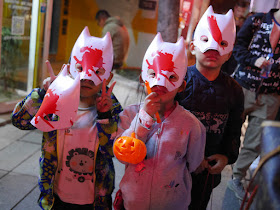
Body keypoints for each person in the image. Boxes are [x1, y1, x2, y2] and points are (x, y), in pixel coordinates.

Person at [11, 27, 122, 209]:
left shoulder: (112, 108)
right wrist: (43, 94)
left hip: (94, 200)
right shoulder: (57, 98)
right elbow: (19, 121)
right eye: (80, 68)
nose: (87, 77)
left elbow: (113, 150)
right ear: (70, 68)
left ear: (108, 77)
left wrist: (104, 116)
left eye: (98, 71)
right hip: (55, 196)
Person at [114, 33, 206, 210]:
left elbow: (194, 163)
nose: (160, 82)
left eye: (172, 77)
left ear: (181, 86)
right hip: (133, 202)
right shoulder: (129, 114)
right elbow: (122, 155)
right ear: (142, 79)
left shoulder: (191, 125)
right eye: (153, 74)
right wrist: (144, 118)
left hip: (172, 204)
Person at [176, 6, 244, 209]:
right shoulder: (179, 80)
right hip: (173, 165)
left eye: (221, 45)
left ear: (229, 53)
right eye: (206, 42)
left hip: (206, 172)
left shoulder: (234, 91)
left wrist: (226, 157)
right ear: (193, 47)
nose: (213, 50)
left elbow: (234, 130)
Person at [228, 8, 280, 200]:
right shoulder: (257, 21)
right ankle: (218, 166)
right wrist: (254, 60)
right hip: (243, 88)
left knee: (255, 142)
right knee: (230, 130)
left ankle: (236, 178)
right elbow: (236, 48)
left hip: (271, 96)